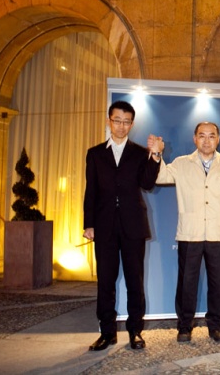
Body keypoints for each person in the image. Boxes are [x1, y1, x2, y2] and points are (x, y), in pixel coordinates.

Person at [149, 122, 220, 343]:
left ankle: (216, 326)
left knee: (218, 283)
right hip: (190, 233)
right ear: (194, 138)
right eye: (202, 136)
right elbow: (160, 177)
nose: (207, 140)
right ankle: (184, 326)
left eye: (211, 136)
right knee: (187, 283)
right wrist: (156, 153)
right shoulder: (181, 163)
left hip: (218, 234)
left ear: (218, 139)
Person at [83, 100, 162, 351]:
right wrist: (89, 224)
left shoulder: (140, 153)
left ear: (132, 124)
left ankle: (135, 331)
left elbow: (148, 184)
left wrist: (156, 156)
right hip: (104, 226)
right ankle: (107, 332)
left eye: (127, 121)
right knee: (105, 280)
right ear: (109, 121)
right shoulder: (95, 153)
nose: (121, 126)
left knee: (134, 280)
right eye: (117, 120)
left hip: (133, 226)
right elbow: (91, 192)